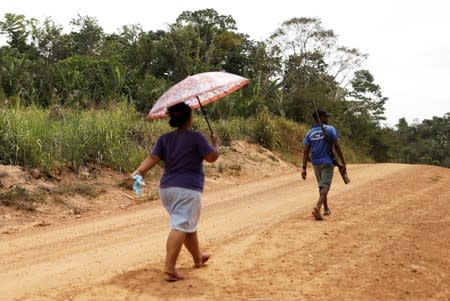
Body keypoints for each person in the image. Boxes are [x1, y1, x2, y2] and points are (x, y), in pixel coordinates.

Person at [132, 102, 220, 282]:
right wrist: (216, 145)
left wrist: (139, 171)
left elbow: (152, 158)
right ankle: (170, 267)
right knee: (181, 225)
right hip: (187, 189)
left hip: (167, 190)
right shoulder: (196, 137)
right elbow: (212, 158)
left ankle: (198, 258)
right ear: (190, 118)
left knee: (187, 226)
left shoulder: (164, 139)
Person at [301, 109, 346, 221]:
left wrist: (304, 168)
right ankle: (318, 207)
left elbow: (306, 151)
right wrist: (343, 162)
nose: (327, 118)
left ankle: (326, 208)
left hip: (316, 163)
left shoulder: (309, 133)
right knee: (325, 186)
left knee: (321, 186)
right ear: (320, 118)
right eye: (326, 116)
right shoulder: (330, 129)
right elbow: (337, 146)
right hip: (328, 162)